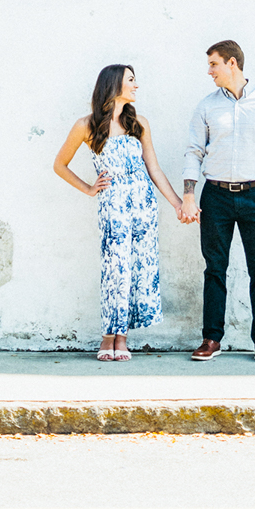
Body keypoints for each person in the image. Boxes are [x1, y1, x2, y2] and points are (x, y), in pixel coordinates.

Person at [54, 64, 184, 360]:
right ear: (114, 86)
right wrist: (89, 188)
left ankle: (122, 338)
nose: (136, 86)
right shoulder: (85, 125)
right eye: (131, 81)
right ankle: (107, 336)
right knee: (116, 268)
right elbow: (59, 164)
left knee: (139, 268)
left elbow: (154, 169)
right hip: (112, 205)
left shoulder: (139, 123)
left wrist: (177, 202)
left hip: (143, 205)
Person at [181, 39, 255, 361]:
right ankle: (211, 338)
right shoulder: (206, 106)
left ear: (232, 63)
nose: (209, 71)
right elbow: (193, 152)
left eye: (213, 64)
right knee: (215, 269)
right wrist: (189, 195)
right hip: (214, 196)